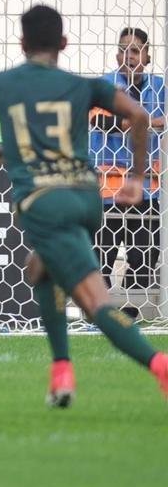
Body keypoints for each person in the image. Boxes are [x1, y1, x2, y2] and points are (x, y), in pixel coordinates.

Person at [0, 4, 168, 408]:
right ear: (63, 44)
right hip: (89, 197)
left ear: (21, 42)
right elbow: (139, 116)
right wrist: (137, 180)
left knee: (94, 305)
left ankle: (158, 364)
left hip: (43, 202)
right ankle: (61, 374)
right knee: (41, 269)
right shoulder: (83, 85)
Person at [91, 26, 166, 293]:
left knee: (142, 259)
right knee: (99, 259)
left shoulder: (160, 88)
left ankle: (129, 316)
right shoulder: (104, 86)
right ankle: (101, 314)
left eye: (135, 50)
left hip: (148, 190)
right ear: (115, 56)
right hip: (108, 189)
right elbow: (97, 120)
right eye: (123, 50)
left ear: (147, 56)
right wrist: (138, 122)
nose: (129, 56)